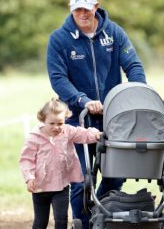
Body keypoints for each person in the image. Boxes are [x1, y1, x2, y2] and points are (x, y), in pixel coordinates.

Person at [46, 0, 146, 228]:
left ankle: (98, 214)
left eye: (87, 9)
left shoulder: (114, 32)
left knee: (117, 174)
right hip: (76, 118)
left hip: (114, 118)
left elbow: (132, 65)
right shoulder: (59, 39)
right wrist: (82, 100)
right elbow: (58, 78)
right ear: (71, 10)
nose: (82, 14)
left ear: (96, 7)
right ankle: (82, 221)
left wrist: (139, 92)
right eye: (77, 9)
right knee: (81, 180)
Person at [19, 98, 102, 229]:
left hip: (61, 186)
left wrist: (96, 135)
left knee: (62, 220)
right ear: (42, 120)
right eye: (51, 123)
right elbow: (26, 160)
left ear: (65, 120)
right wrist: (29, 178)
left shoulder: (67, 131)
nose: (56, 127)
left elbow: (82, 134)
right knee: (41, 222)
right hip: (40, 187)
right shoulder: (34, 137)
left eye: (60, 123)